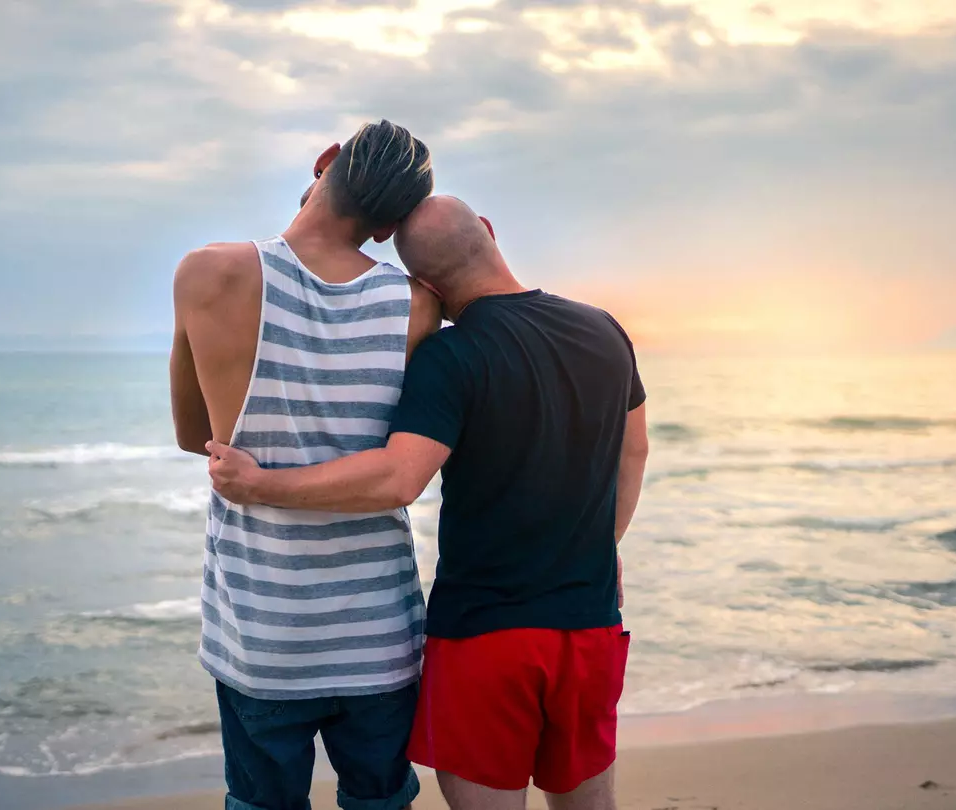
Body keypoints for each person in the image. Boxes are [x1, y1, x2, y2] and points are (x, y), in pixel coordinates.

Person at [207, 195, 651, 810]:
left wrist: (260, 485)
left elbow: (397, 479)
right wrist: (604, 546)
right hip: (592, 625)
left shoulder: (452, 355)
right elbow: (634, 453)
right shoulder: (604, 329)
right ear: (490, 232)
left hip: (485, 637)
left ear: (423, 285)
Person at [170, 119, 441, 810]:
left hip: (263, 628)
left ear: (325, 164)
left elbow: (193, 434)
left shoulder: (210, 272)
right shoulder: (415, 304)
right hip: (378, 630)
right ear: (385, 229)